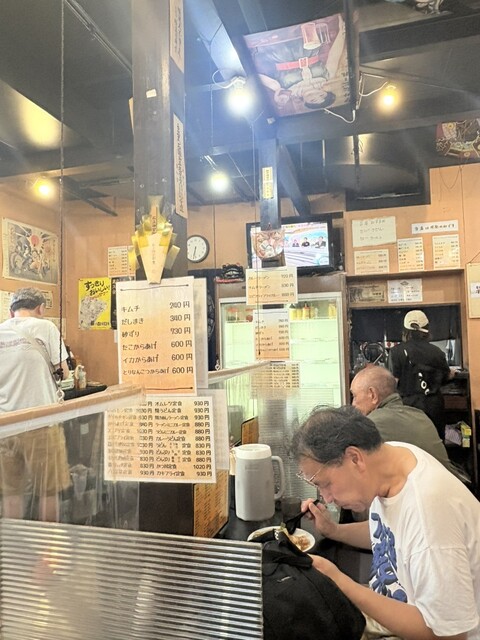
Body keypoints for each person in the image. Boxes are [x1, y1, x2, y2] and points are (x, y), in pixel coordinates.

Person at [291, 405, 480, 640]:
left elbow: (449, 636)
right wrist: (334, 530)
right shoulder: (393, 456)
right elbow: (392, 534)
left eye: (326, 484)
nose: (326, 498)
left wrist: (340, 581)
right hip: (392, 601)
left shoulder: (428, 514)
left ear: (354, 458)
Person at [0, 287, 71, 521]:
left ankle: (14, 541)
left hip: (6, 425)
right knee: (48, 491)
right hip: (41, 422)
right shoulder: (46, 327)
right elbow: (64, 373)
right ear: (40, 308)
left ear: (11, 312)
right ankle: (48, 543)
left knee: (12, 493)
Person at [350, 364, 461, 478]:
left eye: (354, 396)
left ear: (373, 395)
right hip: (450, 484)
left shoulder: (372, 424)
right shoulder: (419, 415)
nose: (353, 404)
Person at [388, 309, 453, 440]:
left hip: (408, 406)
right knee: (435, 442)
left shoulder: (396, 352)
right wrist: (453, 373)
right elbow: (446, 376)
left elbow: (393, 382)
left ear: (405, 330)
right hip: (433, 406)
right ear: (427, 329)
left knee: (410, 444)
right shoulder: (437, 352)